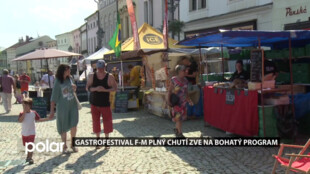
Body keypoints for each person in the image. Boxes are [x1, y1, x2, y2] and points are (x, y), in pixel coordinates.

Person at [86, 60, 117, 149]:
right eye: (99, 68)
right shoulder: (92, 76)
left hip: (105, 103)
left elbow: (115, 88)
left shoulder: (109, 76)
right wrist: (96, 88)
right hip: (94, 103)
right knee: (96, 122)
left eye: (102, 68)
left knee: (107, 122)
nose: (100, 70)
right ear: (96, 68)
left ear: (104, 67)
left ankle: (107, 141)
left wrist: (104, 90)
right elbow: (87, 88)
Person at [48, 64, 79, 153]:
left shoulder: (70, 78)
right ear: (63, 71)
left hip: (72, 105)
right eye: (67, 70)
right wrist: (51, 111)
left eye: (69, 70)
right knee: (63, 126)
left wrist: (74, 88)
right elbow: (53, 97)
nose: (69, 71)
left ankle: (73, 144)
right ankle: (64, 145)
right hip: (62, 107)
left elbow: (73, 89)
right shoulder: (58, 81)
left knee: (74, 124)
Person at [18, 98, 49, 164]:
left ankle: (30, 158)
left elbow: (38, 119)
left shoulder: (33, 113)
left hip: (32, 132)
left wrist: (47, 119)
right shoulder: (21, 113)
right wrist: (24, 113)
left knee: (30, 145)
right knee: (26, 145)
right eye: (23, 106)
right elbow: (20, 120)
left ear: (30, 106)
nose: (25, 107)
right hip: (24, 133)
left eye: (26, 106)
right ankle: (28, 156)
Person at [168, 65, 193, 138]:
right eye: (184, 70)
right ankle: (179, 133)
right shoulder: (174, 79)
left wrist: (189, 100)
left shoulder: (185, 80)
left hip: (183, 102)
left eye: (186, 70)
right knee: (178, 118)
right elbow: (169, 91)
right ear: (179, 71)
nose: (186, 71)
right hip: (176, 102)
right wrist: (168, 100)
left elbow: (186, 92)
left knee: (181, 118)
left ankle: (176, 130)